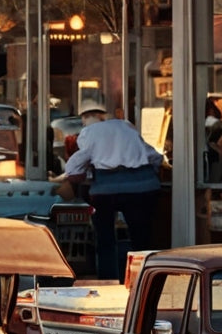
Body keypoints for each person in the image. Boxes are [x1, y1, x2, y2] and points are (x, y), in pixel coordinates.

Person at [57, 100, 163, 279]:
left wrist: (81, 175)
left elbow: (75, 165)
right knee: (141, 237)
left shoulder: (88, 132)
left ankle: (108, 280)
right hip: (143, 186)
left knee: (105, 238)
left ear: (85, 118)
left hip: (105, 190)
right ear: (103, 115)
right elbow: (154, 157)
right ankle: (145, 278)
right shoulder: (126, 126)